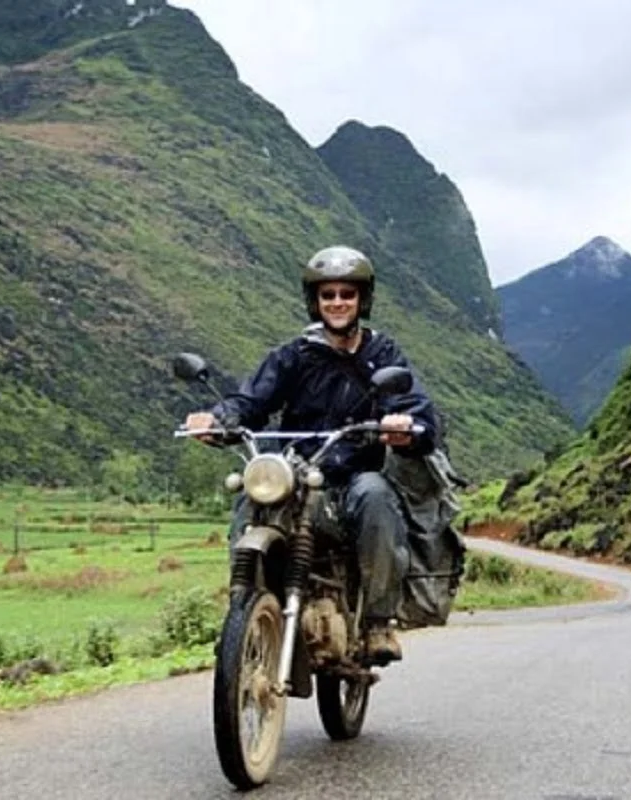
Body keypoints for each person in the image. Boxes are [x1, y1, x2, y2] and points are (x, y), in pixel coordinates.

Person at [183, 245, 439, 664]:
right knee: (251, 497)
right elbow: (251, 401)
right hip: (298, 471)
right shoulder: (294, 356)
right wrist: (217, 419)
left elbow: (416, 410)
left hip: (353, 476)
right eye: (328, 295)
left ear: (362, 300)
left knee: (376, 495)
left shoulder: (383, 355)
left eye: (347, 294)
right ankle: (242, 615)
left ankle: (378, 621)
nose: (337, 302)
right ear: (315, 301)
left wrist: (404, 425)